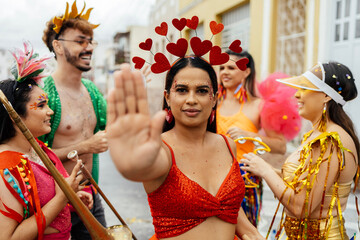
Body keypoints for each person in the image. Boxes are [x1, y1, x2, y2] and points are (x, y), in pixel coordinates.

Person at [106, 57, 264, 240]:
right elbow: (146, 166)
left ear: (214, 99)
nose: (191, 99)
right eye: (182, 90)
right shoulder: (161, 150)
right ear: (168, 97)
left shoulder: (227, 145)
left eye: (202, 91)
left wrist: (254, 234)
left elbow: (231, 212)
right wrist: (133, 164)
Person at [241, 62, 359, 239]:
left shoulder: (330, 140)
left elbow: (300, 206)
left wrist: (265, 170)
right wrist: (259, 169)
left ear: (326, 95)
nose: (296, 95)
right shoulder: (318, 133)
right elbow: (303, 183)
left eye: (304, 88)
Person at [0, 43, 93, 240]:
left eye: (48, 104)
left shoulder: (38, 148)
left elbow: (42, 203)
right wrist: (62, 198)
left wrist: (72, 199)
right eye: (41, 105)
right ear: (15, 116)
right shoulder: (5, 168)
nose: (50, 111)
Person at [40, 1, 107, 239]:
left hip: (91, 196)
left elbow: (112, 131)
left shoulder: (92, 90)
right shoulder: (44, 93)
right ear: (57, 46)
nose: (88, 47)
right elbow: (33, 155)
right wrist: (85, 146)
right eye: (80, 41)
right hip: (54, 201)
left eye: (91, 41)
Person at [217, 50, 300, 226]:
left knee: (245, 233)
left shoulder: (259, 106)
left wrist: (250, 135)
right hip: (212, 178)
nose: (225, 72)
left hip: (245, 182)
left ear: (246, 71)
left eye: (231, 67)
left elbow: (280, 146)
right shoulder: (211, 103)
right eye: (222, 67)